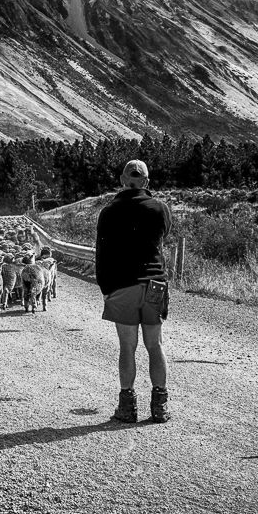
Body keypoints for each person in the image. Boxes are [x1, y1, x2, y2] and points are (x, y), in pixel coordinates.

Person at [95, 159, 172, 423]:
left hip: (122, 285)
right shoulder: (160, 209)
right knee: (155, 345)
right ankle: (159, 406)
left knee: (127, 347)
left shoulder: (108, 212)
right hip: (154, 283)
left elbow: (102, 255)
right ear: (147, 182)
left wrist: (106, 289)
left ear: (121, 180)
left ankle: (127, 407)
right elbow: (163, 236)